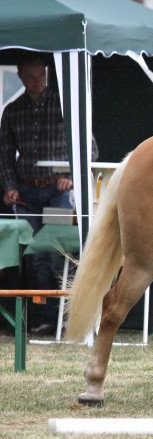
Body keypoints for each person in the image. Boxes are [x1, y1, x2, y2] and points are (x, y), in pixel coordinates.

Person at [0, 54, 98, 335]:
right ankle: (39, 319)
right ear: (19, 76)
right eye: (31, 77)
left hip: (59, 193)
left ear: (47, 73)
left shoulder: (66, 105)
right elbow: (4, 156)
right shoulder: (12, 110)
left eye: (41, 75)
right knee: (23, 252)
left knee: (54, 252)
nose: (37, 82)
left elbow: (90, 150)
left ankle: (61, 319)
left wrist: (71, 176)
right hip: (26, 192)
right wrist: (9, 186)